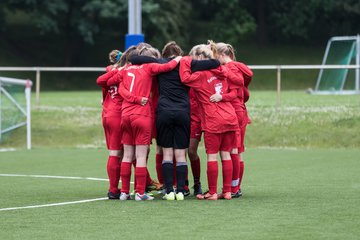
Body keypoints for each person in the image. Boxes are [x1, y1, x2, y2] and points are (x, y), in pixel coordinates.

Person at [115, 46, 182, 201]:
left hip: (125, 115)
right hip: (141, 115)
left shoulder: (125, 70)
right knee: (140, 156)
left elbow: (121, 90)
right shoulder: (149, 67)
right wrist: (179, 58)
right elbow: (168, 66)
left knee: (127, 156)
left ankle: (124, 192)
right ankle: (140, 193)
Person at [179, 43, 240, 200]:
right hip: (230, 118)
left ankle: (212, 192)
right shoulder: (223, 70)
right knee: (225, 154)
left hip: (213, 120)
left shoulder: (200, 76)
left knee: (212, 156)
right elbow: (236, 88)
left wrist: (185, 61)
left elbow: (184, 78)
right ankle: (227, 191)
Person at [210, 42, 253, 197]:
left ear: (221, 55)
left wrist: (221, 97)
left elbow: (238, 85)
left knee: (233, 150)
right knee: (237, 151)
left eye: (215, 57)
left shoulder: (229, 68)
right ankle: (235, 187)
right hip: (239, 111)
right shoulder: (237, 65)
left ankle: (233, 188)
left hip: (234, 112)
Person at [95, 49, 123, 200]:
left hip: (106, 113)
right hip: (118, 115)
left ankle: (117, 188)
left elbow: (104, 93)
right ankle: (115, 190)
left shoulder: (109, 71)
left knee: (115, 152)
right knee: (121, 153)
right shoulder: (125, 72)